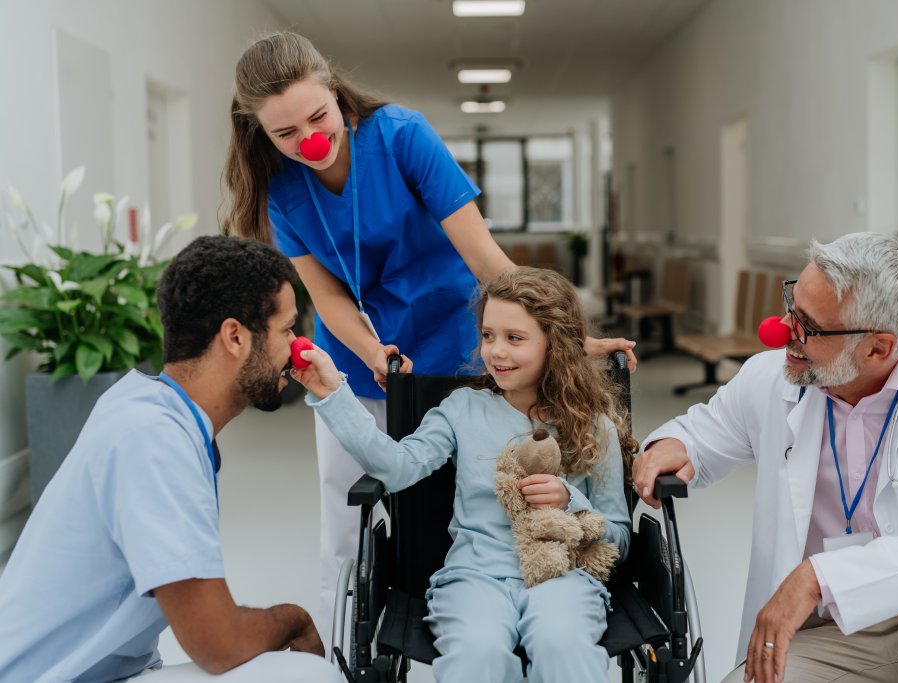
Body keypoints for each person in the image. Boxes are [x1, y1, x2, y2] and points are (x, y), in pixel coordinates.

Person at [223, 30, 637, 639]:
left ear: (336, 94)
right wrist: (369, 350)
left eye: (318, 117)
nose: (309, 140)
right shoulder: (282, 189)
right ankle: (344, 651)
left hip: (453, 347)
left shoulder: (401, 136)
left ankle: (496, 621)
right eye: (285, 132)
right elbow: (328, 297)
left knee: (463, 501)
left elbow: (485, 257)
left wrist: (562, 337)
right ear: (260, 132)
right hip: (357, 360)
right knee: (346, 518)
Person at [632, 232, 898, 683]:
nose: (782, 330)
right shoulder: (772, 379)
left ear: (878, 348)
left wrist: (821, 577)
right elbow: (700, 432)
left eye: (808, 326)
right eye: (791, 306)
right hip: (830, 633)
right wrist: (672, 445)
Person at [0, 236, 343, 683]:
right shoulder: (155, 441)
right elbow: (218, 643)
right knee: (309, 676)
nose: (298, 347)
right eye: (288, 330)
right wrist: (296, 619)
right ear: (235, 337)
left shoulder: (148, 408)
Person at [291, 266, 635, 681]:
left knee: (561, 645)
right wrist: (333, 393)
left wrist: (570, 500)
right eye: (488, 335)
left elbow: (619, 538)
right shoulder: (461, 409)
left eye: (514, 338)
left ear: (555, 344)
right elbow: (397, 468)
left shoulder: (594, 426)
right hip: (475, 576)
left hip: (564, 576)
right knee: (477, 655)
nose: (496, 351)